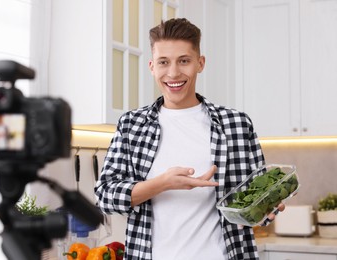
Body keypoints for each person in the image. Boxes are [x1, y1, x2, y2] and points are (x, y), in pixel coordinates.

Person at [95, 18, 283, 260]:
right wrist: (163, 183)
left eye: (184, 61)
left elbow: (257, 205)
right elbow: (105, 198)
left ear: (200, 63)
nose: (173, 73)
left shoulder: (236, 124)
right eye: (164, 62)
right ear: (152, 66)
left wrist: (269, 207)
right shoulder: (132, 125)